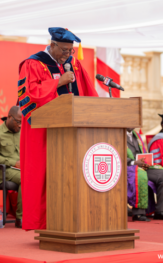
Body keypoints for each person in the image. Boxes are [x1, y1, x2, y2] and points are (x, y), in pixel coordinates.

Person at [18, 27, 98, 230]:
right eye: (63, 50)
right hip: (42, 130)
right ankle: (43, 223)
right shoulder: (33, 63)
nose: (67, 55)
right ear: (52, 45)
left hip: (72, 131)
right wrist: (57, 81)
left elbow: (88, 93)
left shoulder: (74, 64)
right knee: (42, 175)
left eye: (70, 51)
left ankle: (71, 220)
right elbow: (28, 94)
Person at [127, 128, 163, 221]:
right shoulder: (117, 135)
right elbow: (115, 155)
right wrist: (134, 162)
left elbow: (143, 153)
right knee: (140, 175)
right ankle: (139, 214)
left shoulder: (136, 135)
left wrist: (145, 162)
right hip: (127, 167)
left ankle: (161, 211)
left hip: (141, 166)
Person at [0, 106, 22, 228]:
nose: (20, 126)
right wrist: (12, 162)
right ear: (9, 117)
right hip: (5, 170)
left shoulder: (21, 133)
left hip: (21, 169)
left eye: (22, 123)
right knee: (25, 178)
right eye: (18, 122)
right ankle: (20, 217)